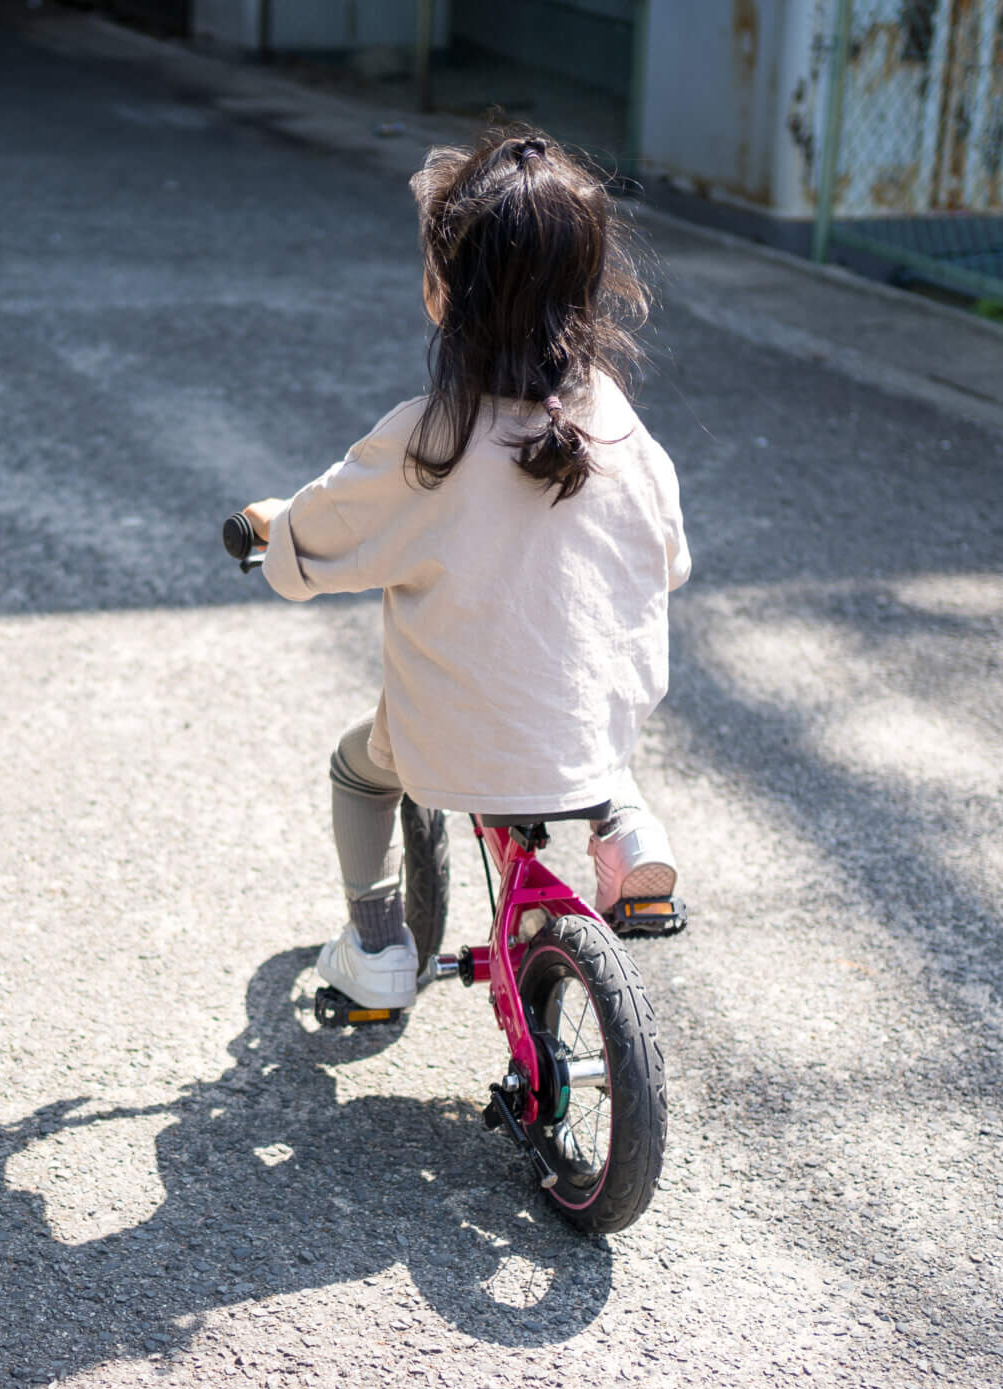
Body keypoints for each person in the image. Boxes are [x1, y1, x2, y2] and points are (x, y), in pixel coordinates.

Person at [237, 128, 691, 1013]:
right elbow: (668, 556)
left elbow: (310, 550)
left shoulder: (427, 438)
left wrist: (271, 527)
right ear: (589, 291)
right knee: (590, 720)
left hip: (451, 736)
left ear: (446, 291)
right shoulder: (613, 420)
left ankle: (375, 950)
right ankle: (629, 835)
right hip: (585, 726)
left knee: (360, 770)